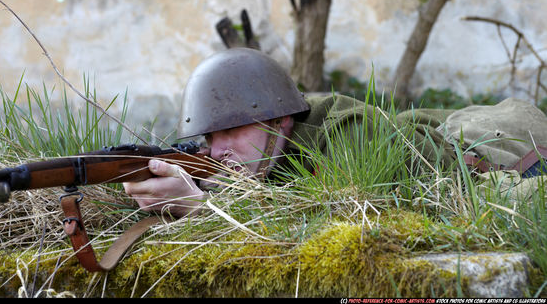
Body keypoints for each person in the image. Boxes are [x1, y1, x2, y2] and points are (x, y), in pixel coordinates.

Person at [124, 48, 547, 217]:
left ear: (280, 119)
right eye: (207, 139)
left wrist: (207, 209)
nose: (217, 151)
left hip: (497, 144)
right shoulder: (258, 151)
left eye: (230, 130)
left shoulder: (349, 134)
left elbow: (345, 220)